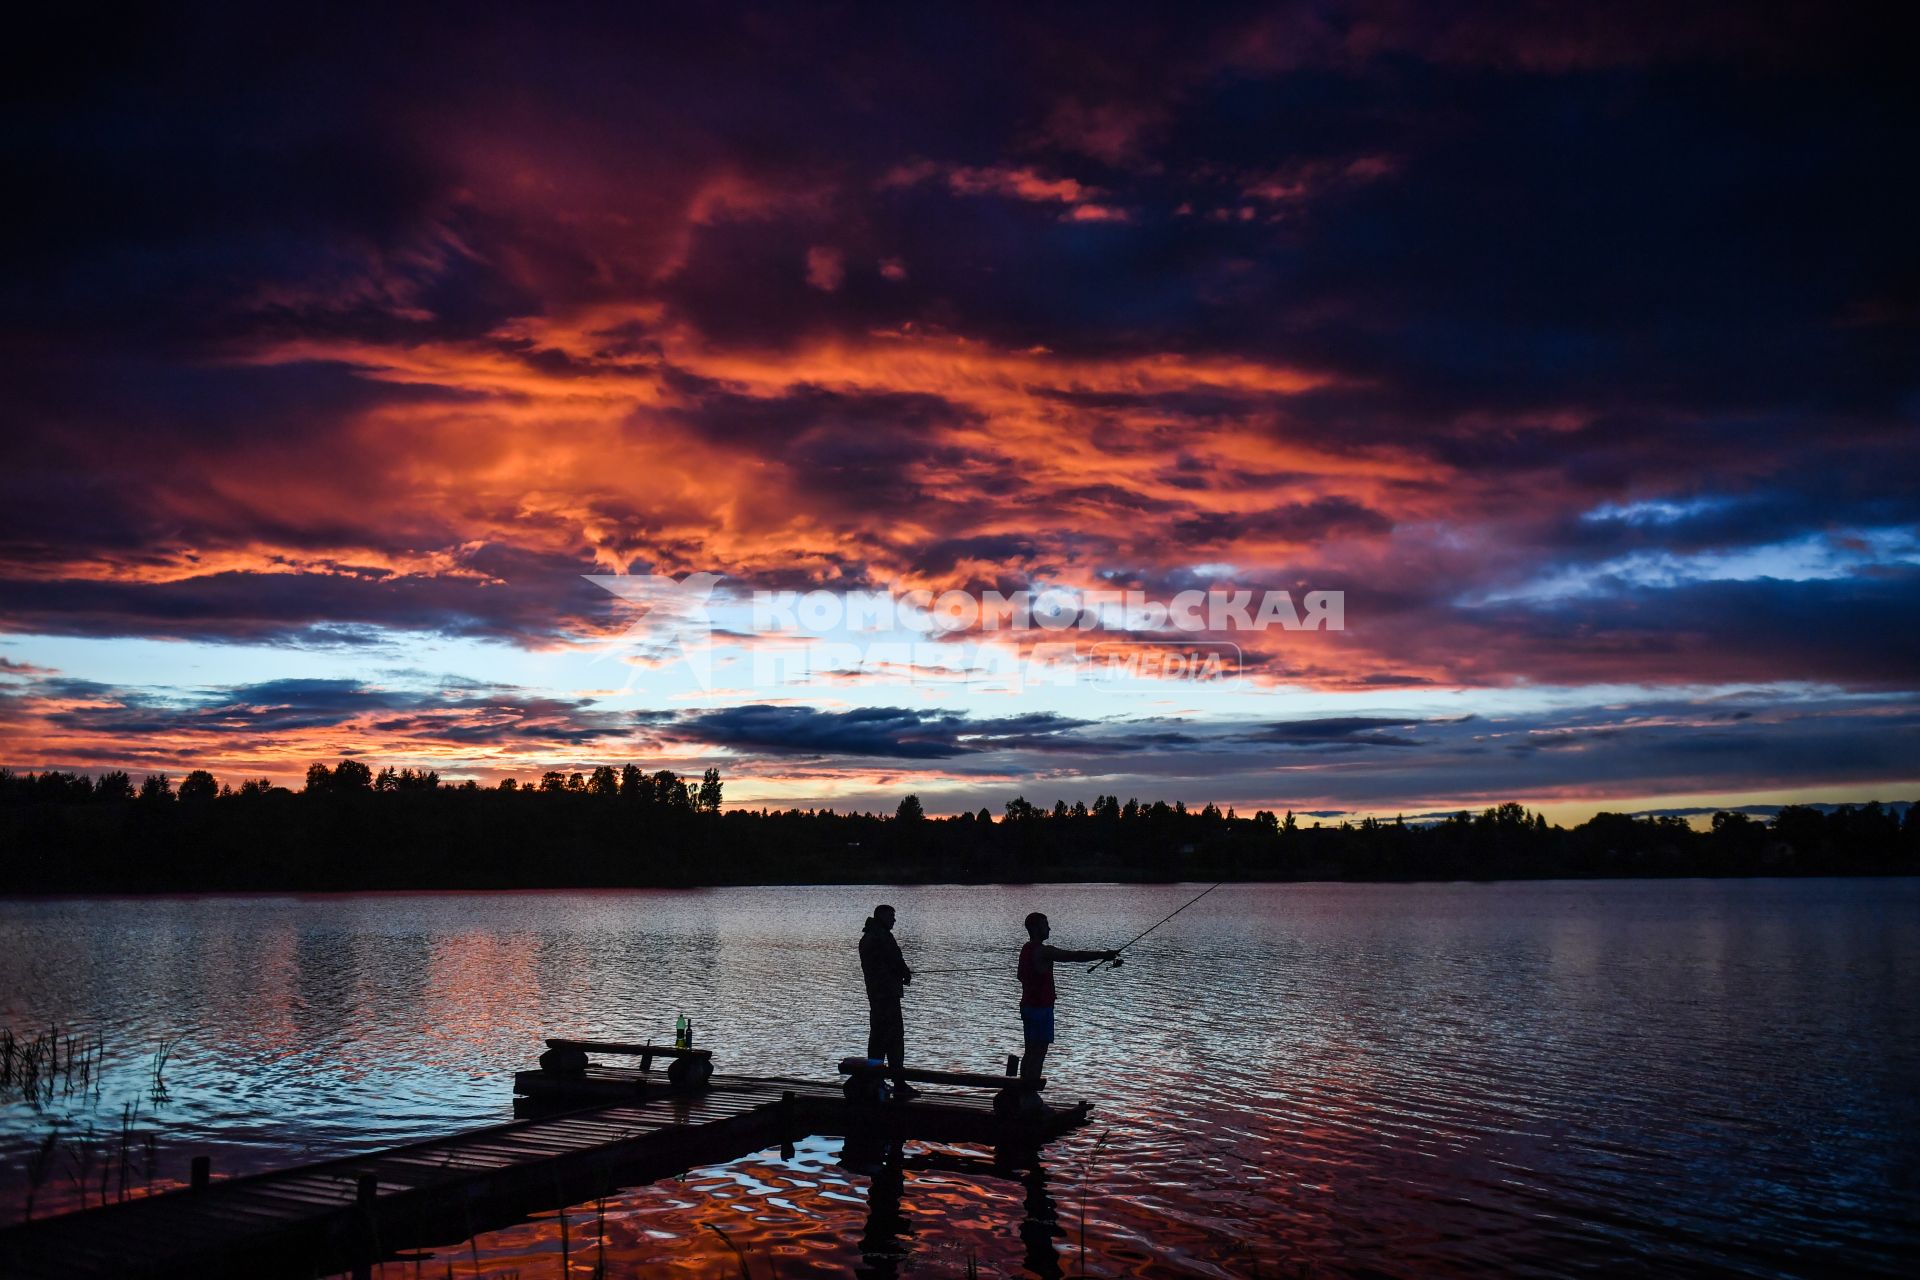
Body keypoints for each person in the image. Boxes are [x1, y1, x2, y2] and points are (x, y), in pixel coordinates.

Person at [1017, 912, 1118, 1083]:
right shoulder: (1043, 951)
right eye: (1045, 924)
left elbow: (1020, 976)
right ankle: (1029, 1093)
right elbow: (1074, 956)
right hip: (1041, 1010)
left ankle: (1023, 1090)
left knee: (1030, 1051)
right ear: (1035, 928)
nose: (1049, 928)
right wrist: (1103, 954)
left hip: (1027, 1007)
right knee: (1039, 1052)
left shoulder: (1026, 950)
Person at [859, 904, 920, 1098]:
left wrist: (900, 972)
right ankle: (897, 1082)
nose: (894, 920)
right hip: (886, 997)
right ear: (882, 917)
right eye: (891, 916)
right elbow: (893, 959)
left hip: (877, 997)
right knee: (892, 1038)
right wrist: (904, 973)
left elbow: (886, 963)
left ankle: (876, 1080)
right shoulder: (881, 937)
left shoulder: (868, 937)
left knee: (878, 1038)